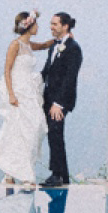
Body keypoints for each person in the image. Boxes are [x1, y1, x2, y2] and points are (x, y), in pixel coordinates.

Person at [0, 9, 50, 188]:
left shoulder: (28, 45)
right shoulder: (15, 45)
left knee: (33, 128)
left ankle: (17, 170)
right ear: (29, 26)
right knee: (16, 129)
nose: (38, 27)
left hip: (29, 91)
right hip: (18, 91)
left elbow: (42, 46)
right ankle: (16, 173)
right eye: (36, 24)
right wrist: (11, 93)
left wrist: (60, 40)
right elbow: (7, 69)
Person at [40, 12, 82, 187]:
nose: (51, 27)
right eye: (51, 23)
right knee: (53, 134)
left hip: (60, 100)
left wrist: (59, 104)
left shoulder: (73, 48)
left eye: (55, 24)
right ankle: (62, 175)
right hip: (48, 98)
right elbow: (47, 71)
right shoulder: (54, 46)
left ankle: (56, 174)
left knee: (56, 133)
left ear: (65, 26)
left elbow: (69, 78)